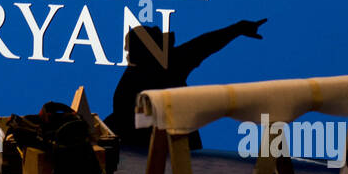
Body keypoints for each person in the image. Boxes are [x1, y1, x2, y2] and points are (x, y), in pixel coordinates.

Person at [104, 18, 268, 147]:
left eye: (129, 48)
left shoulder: (172, 63)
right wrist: (237, 28)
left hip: (168, 149)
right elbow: (204, 44)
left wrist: (237, 29)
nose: (126, 51)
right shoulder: (166, 63)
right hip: (146, 146)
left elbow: (205, 44)